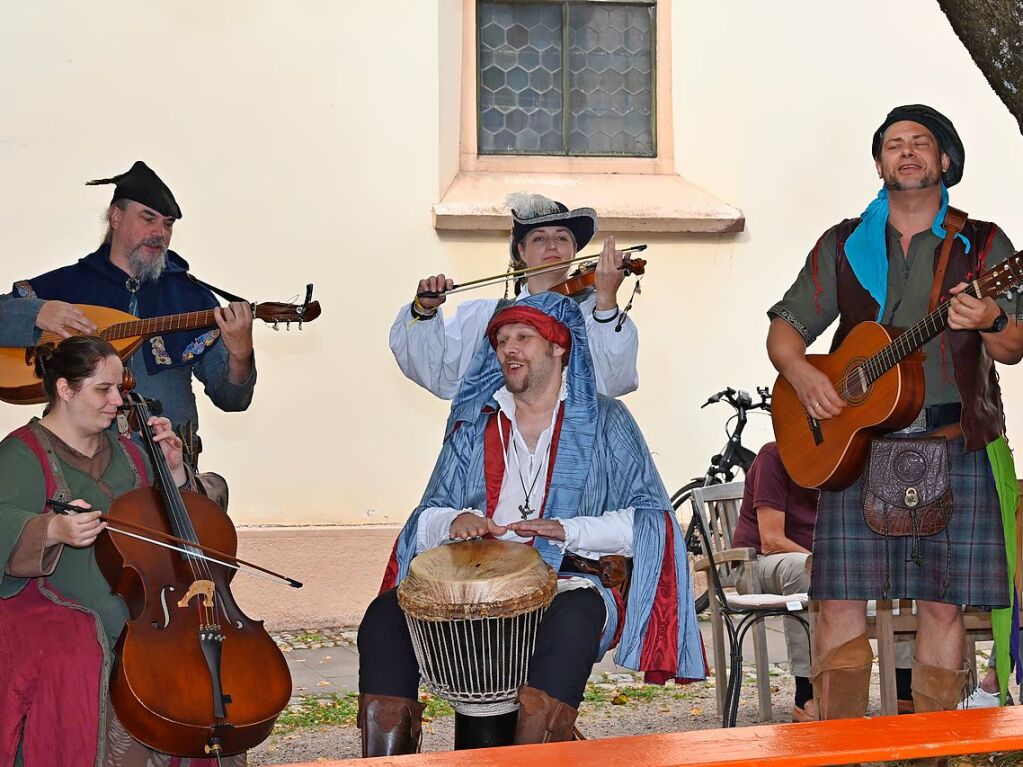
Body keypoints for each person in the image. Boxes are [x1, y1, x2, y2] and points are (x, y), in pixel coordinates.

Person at [766, 104, 1023, 725]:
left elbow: (1013, 348)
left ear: (945, 161)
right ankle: (841, 746)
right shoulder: (844, 244)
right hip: (857, 444)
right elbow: (785, 332)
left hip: (953, 438)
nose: (905, 152)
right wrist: (804, 378)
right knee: (838, 602)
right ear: (880, 162)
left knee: (943, 605)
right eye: (892, 144)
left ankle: (936, 746)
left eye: (920, 143)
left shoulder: (985, 245)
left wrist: (989, 319)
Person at [360, 292, 703, 756]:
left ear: (558, 347)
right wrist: (453, 520)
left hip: (574, 582)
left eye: (523, 337)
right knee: (383, 618)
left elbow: (653, 521)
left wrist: (568, 529)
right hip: (474, 589)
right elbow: (424, 518)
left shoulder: (606, 421)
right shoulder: (476, 423)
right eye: (501, 341)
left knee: (574, 620)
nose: (509, 350)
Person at [0, 336, 244, 766]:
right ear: (65, 389)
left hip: (148, 604)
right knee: (82, 647)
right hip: (56, 604)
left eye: (120, 388)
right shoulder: (21, 453)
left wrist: (174, 470)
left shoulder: (132, 451)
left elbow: (181, 527)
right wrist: (51, 527)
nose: (118, 400)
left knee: (195, 643)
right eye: (104, 389)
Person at [0, 161, 256, 471]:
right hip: (76, 466)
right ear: (116, 217)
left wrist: (241, 353)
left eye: (168, 224)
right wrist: (38, 312)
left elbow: (232, 400)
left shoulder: (189, 297)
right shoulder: (67, 285)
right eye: (148, 218)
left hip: (165, 467)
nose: (159, 233)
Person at [389, 193, 639, 399]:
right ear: (521, 251)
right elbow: (437, 374)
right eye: (539, 238)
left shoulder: (590, 316)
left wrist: (606, 300)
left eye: (562, 238)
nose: (552, 245)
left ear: (574, 250)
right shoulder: (486, 317)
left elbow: (611, 383)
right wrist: (423, 310)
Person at [732, 442, 916, 721]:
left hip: (822, 564)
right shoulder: (775, 456)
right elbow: (771, 540)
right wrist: (830, 565)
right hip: (758, 563)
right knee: (805, 569)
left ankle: (904, 689)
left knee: (901, 568)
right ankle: (806, 694)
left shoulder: (846, 459)